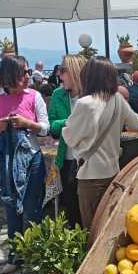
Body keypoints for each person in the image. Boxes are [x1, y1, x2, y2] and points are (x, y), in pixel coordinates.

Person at [0, 56, 49, 274]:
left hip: (31, 158)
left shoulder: (34, 96)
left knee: (32, 207)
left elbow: (45, 127)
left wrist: (28, 124)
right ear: (9, 76)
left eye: (27, 72)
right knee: (10, 206)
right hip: (6, 158)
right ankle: (15, 256)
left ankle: (38, 254)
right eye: (22, 73)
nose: (27, 77)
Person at [62, 57, 138, 229]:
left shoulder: (85, 104)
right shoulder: (118, 99)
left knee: (92, 228)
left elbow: (69, 137)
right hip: (114, 173)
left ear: (87, 77)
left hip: (90, 176)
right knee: (108, 226)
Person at [48, 55, 87, 228]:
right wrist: (69, 122)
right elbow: (52, 127)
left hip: (88, 159)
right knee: (71, 207)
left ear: (75, 72)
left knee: (88, 209)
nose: (59, 75)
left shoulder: (91, 96)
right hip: (67, 159)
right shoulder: (58, 95)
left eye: (63, 71)